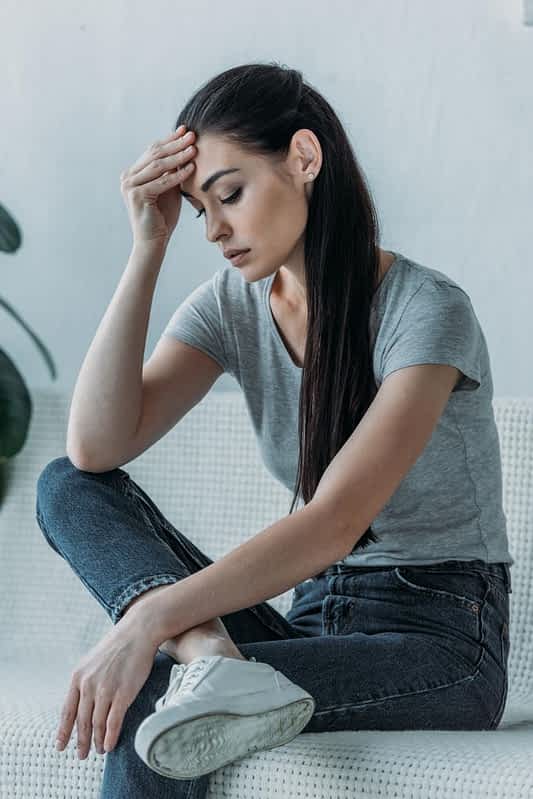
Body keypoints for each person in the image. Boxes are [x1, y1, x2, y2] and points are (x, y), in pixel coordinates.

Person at [35, 62, 513, 799]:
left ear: (303, 158)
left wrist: (147, 622)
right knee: (67, 483)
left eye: (230, 193)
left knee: (154, 703)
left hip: (439, 640)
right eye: (199, 209)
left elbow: (335, 521)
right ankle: (212, 658)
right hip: (311, 614)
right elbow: (96, 447)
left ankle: (204, 662)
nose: (216, 228)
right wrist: (146, 248)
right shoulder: (232, 304)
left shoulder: (426, 309)